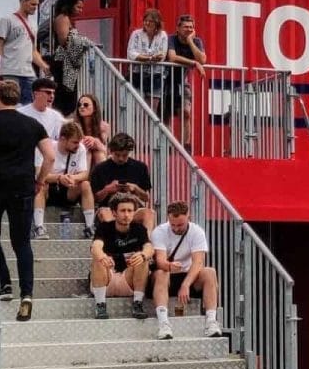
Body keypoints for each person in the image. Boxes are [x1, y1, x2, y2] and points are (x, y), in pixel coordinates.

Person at [0, 79, 54, 322]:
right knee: (21, 242)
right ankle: (27, 294)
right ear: (17, 99)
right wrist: (40, 180)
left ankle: (5, 285)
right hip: (23, 187)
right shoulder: (32, 124)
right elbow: (49, 156)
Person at [151, 201, 222, 339]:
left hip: (188, 275)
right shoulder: (160, 231)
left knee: (210, 272)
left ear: (188, 217)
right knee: (161, 273)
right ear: (168, 219)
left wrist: (186, 284)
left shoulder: (197, 232)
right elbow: (160, 261)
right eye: (173, 225)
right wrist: (169, 266)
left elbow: (198, 262)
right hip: (167, 274)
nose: (176, 228)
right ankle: (163, 323)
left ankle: (211, 321)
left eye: (180, 225)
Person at [90, 195, 153, 319]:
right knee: (97, 258)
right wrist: (102, 256)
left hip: (128, 280)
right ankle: (100, 306)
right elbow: (96, 246)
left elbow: (149, 248)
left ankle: (138, 303)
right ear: (114, 213)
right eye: (123, 211)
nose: (126, 215)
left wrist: (143, 254)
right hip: (107, 278)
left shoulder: (139, 229)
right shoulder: (104, 227)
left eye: (130, 211)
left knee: (142, 258)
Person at [88, 133, 155, 229]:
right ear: (111, 151)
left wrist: (135, 189)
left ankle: (146, 243)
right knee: (104, 213)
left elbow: (146, 197)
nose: (121, 158)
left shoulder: (140, 167)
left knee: (149, 213)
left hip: (133, 210)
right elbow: (95, 199)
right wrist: (107, 190)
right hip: (109, 209)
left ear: (129, 152)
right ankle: (115, 241)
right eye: (117, 155)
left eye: (124, 155)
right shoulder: (100, 169)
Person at [0, 0, 47, 100]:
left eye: (37, 5)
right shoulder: (7, 20)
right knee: (10, 102)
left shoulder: (33, 25)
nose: (35, 7)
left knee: (29, 105)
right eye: (32, 4)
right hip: (10, 71)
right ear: (23, 2)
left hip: (28, 72)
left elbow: (32, 50)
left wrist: (44, 66)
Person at [37, 120, 95, 230]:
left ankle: (90, 226)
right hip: (49, 189)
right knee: (40, 185)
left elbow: (84, 174)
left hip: (69, 188)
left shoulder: (80, 148)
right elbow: (38, 175)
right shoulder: (47, 148)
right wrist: (59, 178)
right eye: (74, 142)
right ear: (63, 139)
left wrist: (73, 178)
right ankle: (39, 227)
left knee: (85, 184)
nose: (78, 145)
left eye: (79, 142)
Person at [43, 13, 96, 117]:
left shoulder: (67, 22)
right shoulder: (62, 18)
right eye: (78, 7)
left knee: (68, 98)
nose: (80, 10)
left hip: (68, 66)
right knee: (65, 97)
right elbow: (65, 41)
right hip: (63, 63)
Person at [169, 12, 209, 147]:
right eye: (185, 27)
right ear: (178, 28)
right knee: (165, 114)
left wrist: (190, 41)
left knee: (186, 113)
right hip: (166, 80)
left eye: (191, 27)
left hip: (183, 82)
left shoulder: (196, 41)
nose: (189, 30)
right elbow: (172, 57)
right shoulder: (171, 39)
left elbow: (202, 59)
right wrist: (193, 63)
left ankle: (186, 146)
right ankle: (167, 145)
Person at [126, 7, 172, 114]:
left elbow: (162, 55)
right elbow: (131, 54)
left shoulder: (163, 35)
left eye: (150, 21)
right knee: (136, 108)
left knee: (152, 110)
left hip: (156, 75)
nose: (147, 23)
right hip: (137, 74)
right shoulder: (136, 34)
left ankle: (148, 131)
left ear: (157, 22)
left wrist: (143, 57)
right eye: (145, 20)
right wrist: (150, 58)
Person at [73, 93, 112, 160]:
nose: (82, 107)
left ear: (94, 108)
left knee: (98, 153)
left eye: (86, 105)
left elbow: (104, 150)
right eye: (79, 105)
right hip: (77, 156)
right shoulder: (73, 124)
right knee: (87, 152)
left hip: (96, 157)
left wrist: (96, 141)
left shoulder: (104, 126)